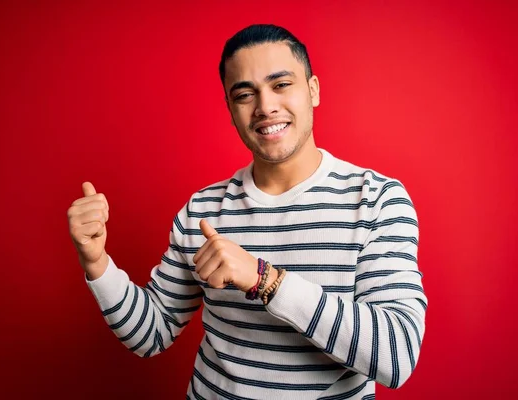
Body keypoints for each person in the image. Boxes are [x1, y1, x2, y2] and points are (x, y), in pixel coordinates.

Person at [67, 24, 427, 399]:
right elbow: (150, 334)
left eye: (281, 84)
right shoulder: (202, 211)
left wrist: (264, 280)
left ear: (313, 91)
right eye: (244, 94)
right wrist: (96, 262)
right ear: (230, 109)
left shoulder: (376, 198)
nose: (265, 106)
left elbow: (396, 356)